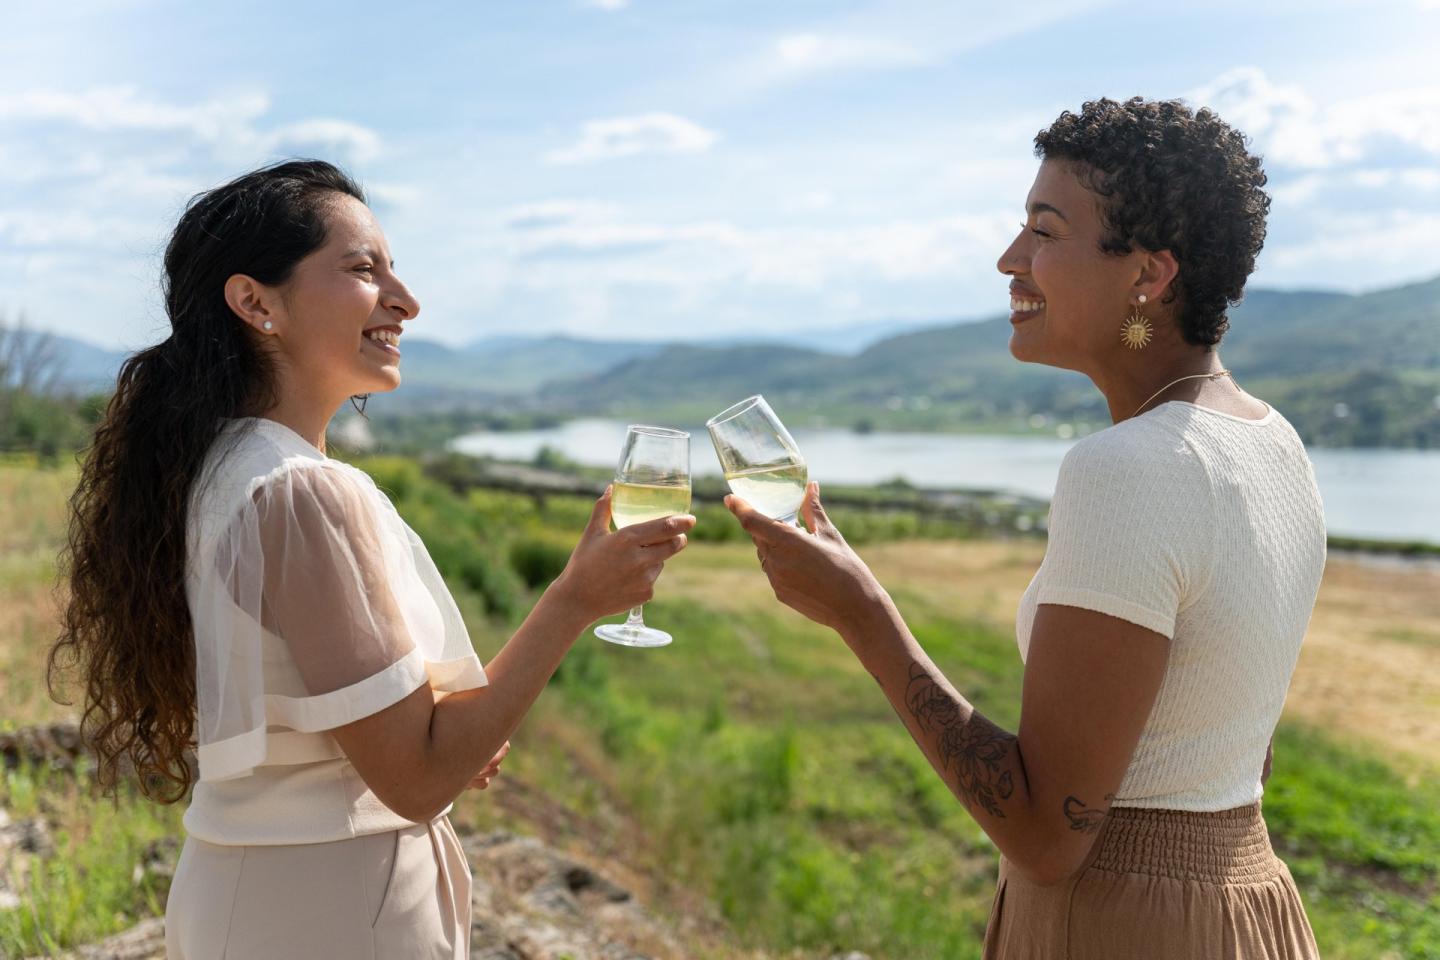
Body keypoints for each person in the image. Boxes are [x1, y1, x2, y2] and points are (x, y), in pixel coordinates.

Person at [726, 97, 1325, 958]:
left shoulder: (1125, 468)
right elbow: (1236, 753)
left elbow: (1049, 837)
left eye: (1045, 232)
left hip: (1122, 926)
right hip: (1245, 904)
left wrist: (861, 612)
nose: (1011, 260)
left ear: (1148, 275)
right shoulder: (1272, 443)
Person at [50, 159, 695, 958]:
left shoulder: (214, 470)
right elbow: (415, 778)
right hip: (331, 911)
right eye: (364, 268)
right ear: (256, 303)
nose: (405, 299)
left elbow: (341, 724)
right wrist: (573, 600)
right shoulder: (304, 493)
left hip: (249, 896)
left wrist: (449, 729)